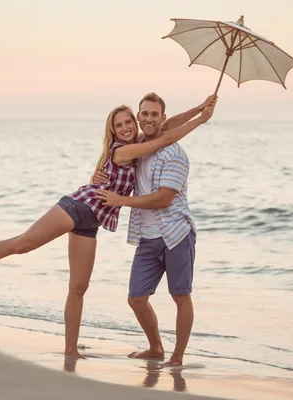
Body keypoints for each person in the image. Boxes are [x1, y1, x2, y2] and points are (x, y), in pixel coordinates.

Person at [0, 98, 215, 359]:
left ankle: (71, 350)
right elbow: (165, 137)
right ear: (113, 132)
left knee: (78, 287)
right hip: (78, 207)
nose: (126, 127)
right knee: (22, 244)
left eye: (129, 122)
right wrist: (202, 121)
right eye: (120, 125)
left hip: (91, 222)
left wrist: (199, 107)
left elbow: (166, 126)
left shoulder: (139, 140)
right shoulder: (125, 150)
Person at [95, 92, 216, 368]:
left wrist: (121, 201)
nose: (149, 119)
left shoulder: (175, 154)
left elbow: (163, 199)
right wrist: (198, 108)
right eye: (144, 114)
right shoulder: (137, 143)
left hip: (176, 234)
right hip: (146, 237)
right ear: (139, 117)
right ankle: (155, 347)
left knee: (180, 296)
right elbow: (168, 125)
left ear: (161, 119)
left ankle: (177, 357)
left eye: (155, 115)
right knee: (136, 298)